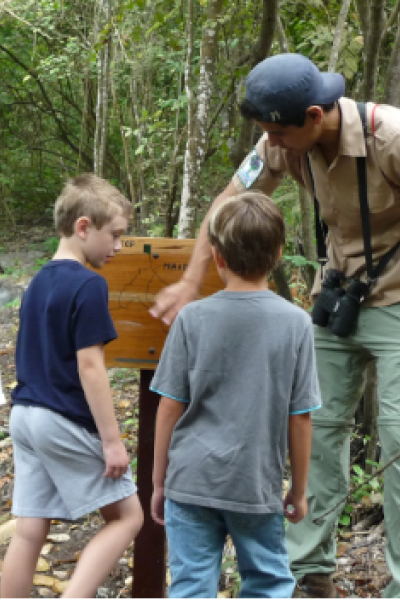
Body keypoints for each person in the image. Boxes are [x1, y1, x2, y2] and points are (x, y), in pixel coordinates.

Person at [150, 52, 400, 598]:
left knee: (398, 435)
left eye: (278, 133)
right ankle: (309, 570)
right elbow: (229, 203)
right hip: (339, 298)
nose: (272, 145)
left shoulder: (391, 137)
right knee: (320, 425)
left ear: (314, 115)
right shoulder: (281, 143)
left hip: (398, 299)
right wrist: (193, 282)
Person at [150, 191, 321, 598]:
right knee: (266, 583)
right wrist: (297, 490)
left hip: (191, 480)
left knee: (191, 586)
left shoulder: (191, 318)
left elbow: (169, 407)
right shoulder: (297, 324)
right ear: (279, 253)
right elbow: (300, 417)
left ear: (217, 256)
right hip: (254, 483)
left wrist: (159, 482)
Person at [0, 174, 144, 598]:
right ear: (84, 227)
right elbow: (90, 367)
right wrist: (112, 441)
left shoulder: (39, 282)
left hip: (24, 417)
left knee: (29, 529)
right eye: (115, 236)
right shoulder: (89, 283)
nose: (119, 247)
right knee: (128, 518)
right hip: (59, 418)